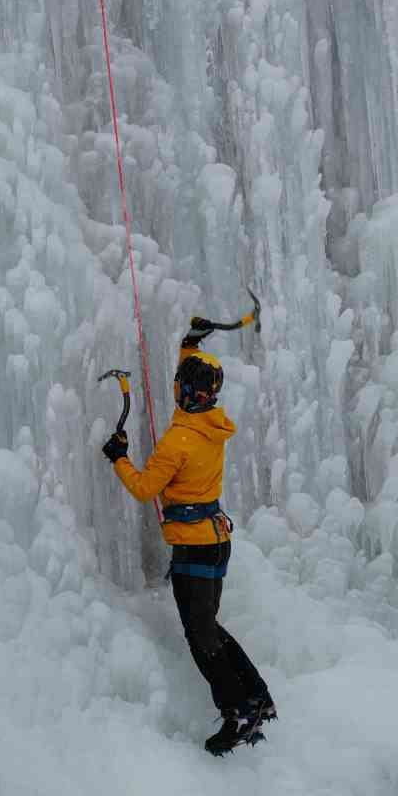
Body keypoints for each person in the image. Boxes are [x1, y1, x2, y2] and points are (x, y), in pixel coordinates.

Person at [102, 318, 274, 755]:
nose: (175, 387)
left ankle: (238, 712)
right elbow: (193, 380)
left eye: (180, 384)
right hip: (216, 543)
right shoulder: (212, 423)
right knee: (208, 628)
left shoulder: (178, 441)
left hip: (194, 550)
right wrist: (190, 344)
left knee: (200, 638)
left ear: (187, 393)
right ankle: (256, 696)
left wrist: (119, 457)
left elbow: (144, 489)